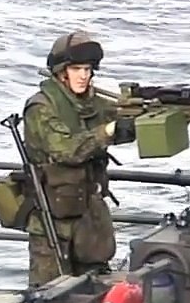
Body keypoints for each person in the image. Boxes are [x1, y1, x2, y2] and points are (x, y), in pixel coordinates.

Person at [21, 30, 136, 286]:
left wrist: (144, 116)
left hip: (89, 218)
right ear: (61, 72)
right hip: (53, 221)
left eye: (87, 69)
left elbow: (121, 125)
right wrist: (108, 130)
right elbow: (66, 150)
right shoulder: (41, 107)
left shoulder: (92, 104)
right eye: (76, 69)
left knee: (95, 288)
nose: (83, 75)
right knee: (50, 294)